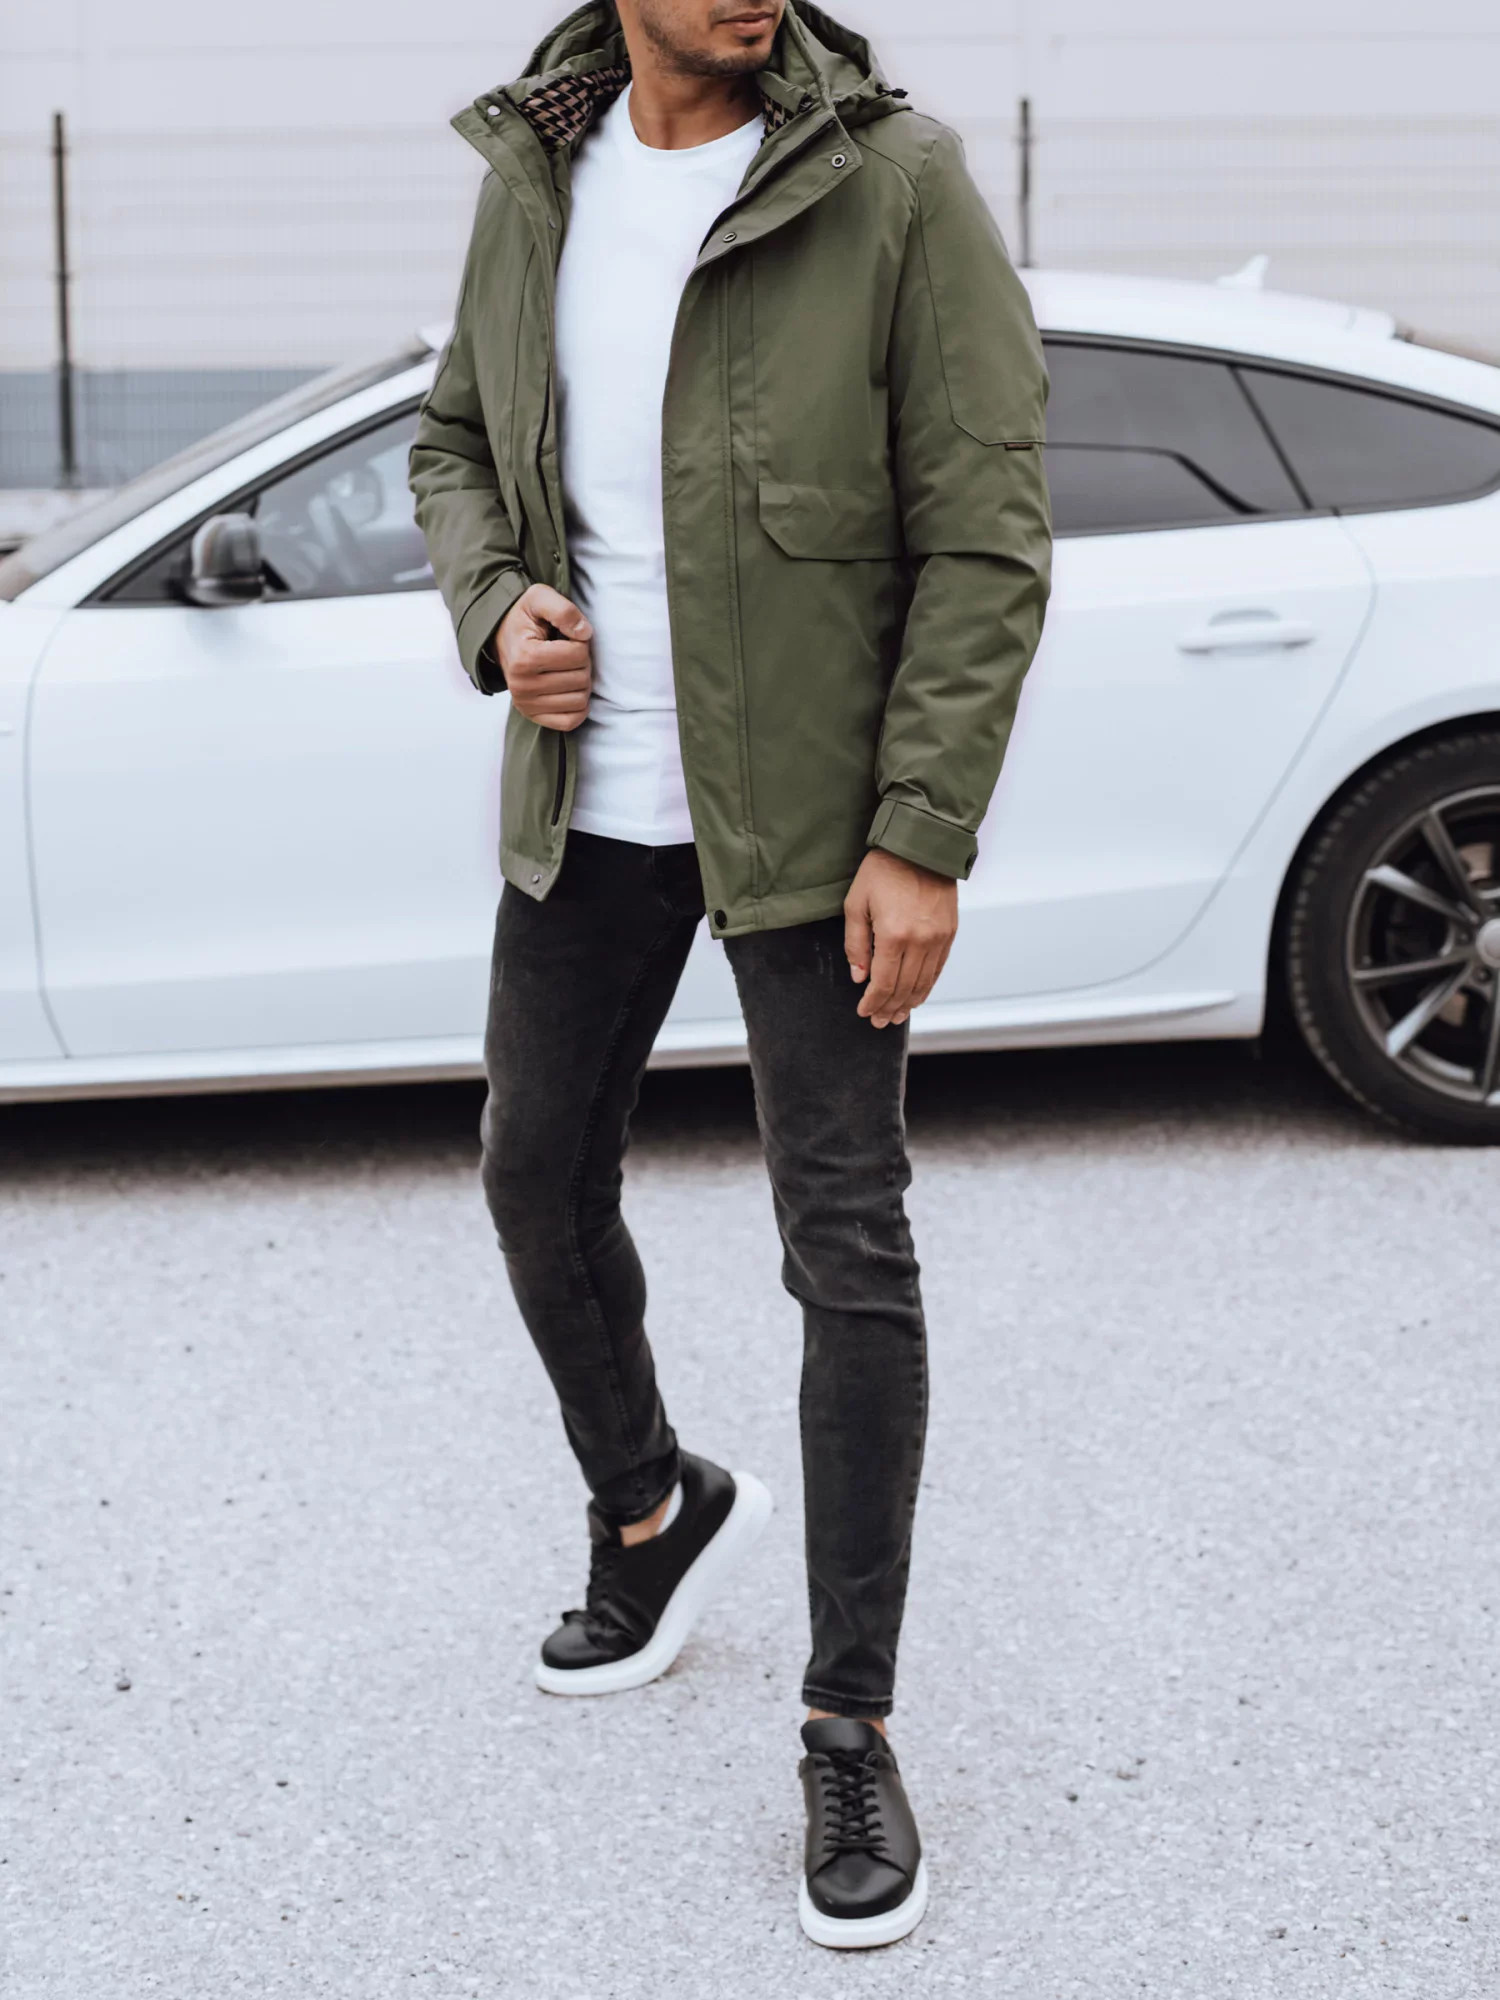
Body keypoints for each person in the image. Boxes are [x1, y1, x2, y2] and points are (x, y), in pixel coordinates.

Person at [410, 0, 1050, 1949]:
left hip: (815, 822)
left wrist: (922, 830)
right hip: (590, 799)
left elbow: (989, 534)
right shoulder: (536, 175)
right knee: (533, 1175)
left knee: (846, 1247)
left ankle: (849, 1722)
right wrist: (496, 605)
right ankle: (650, 1507)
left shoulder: (892, 181)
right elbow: (453, 441)